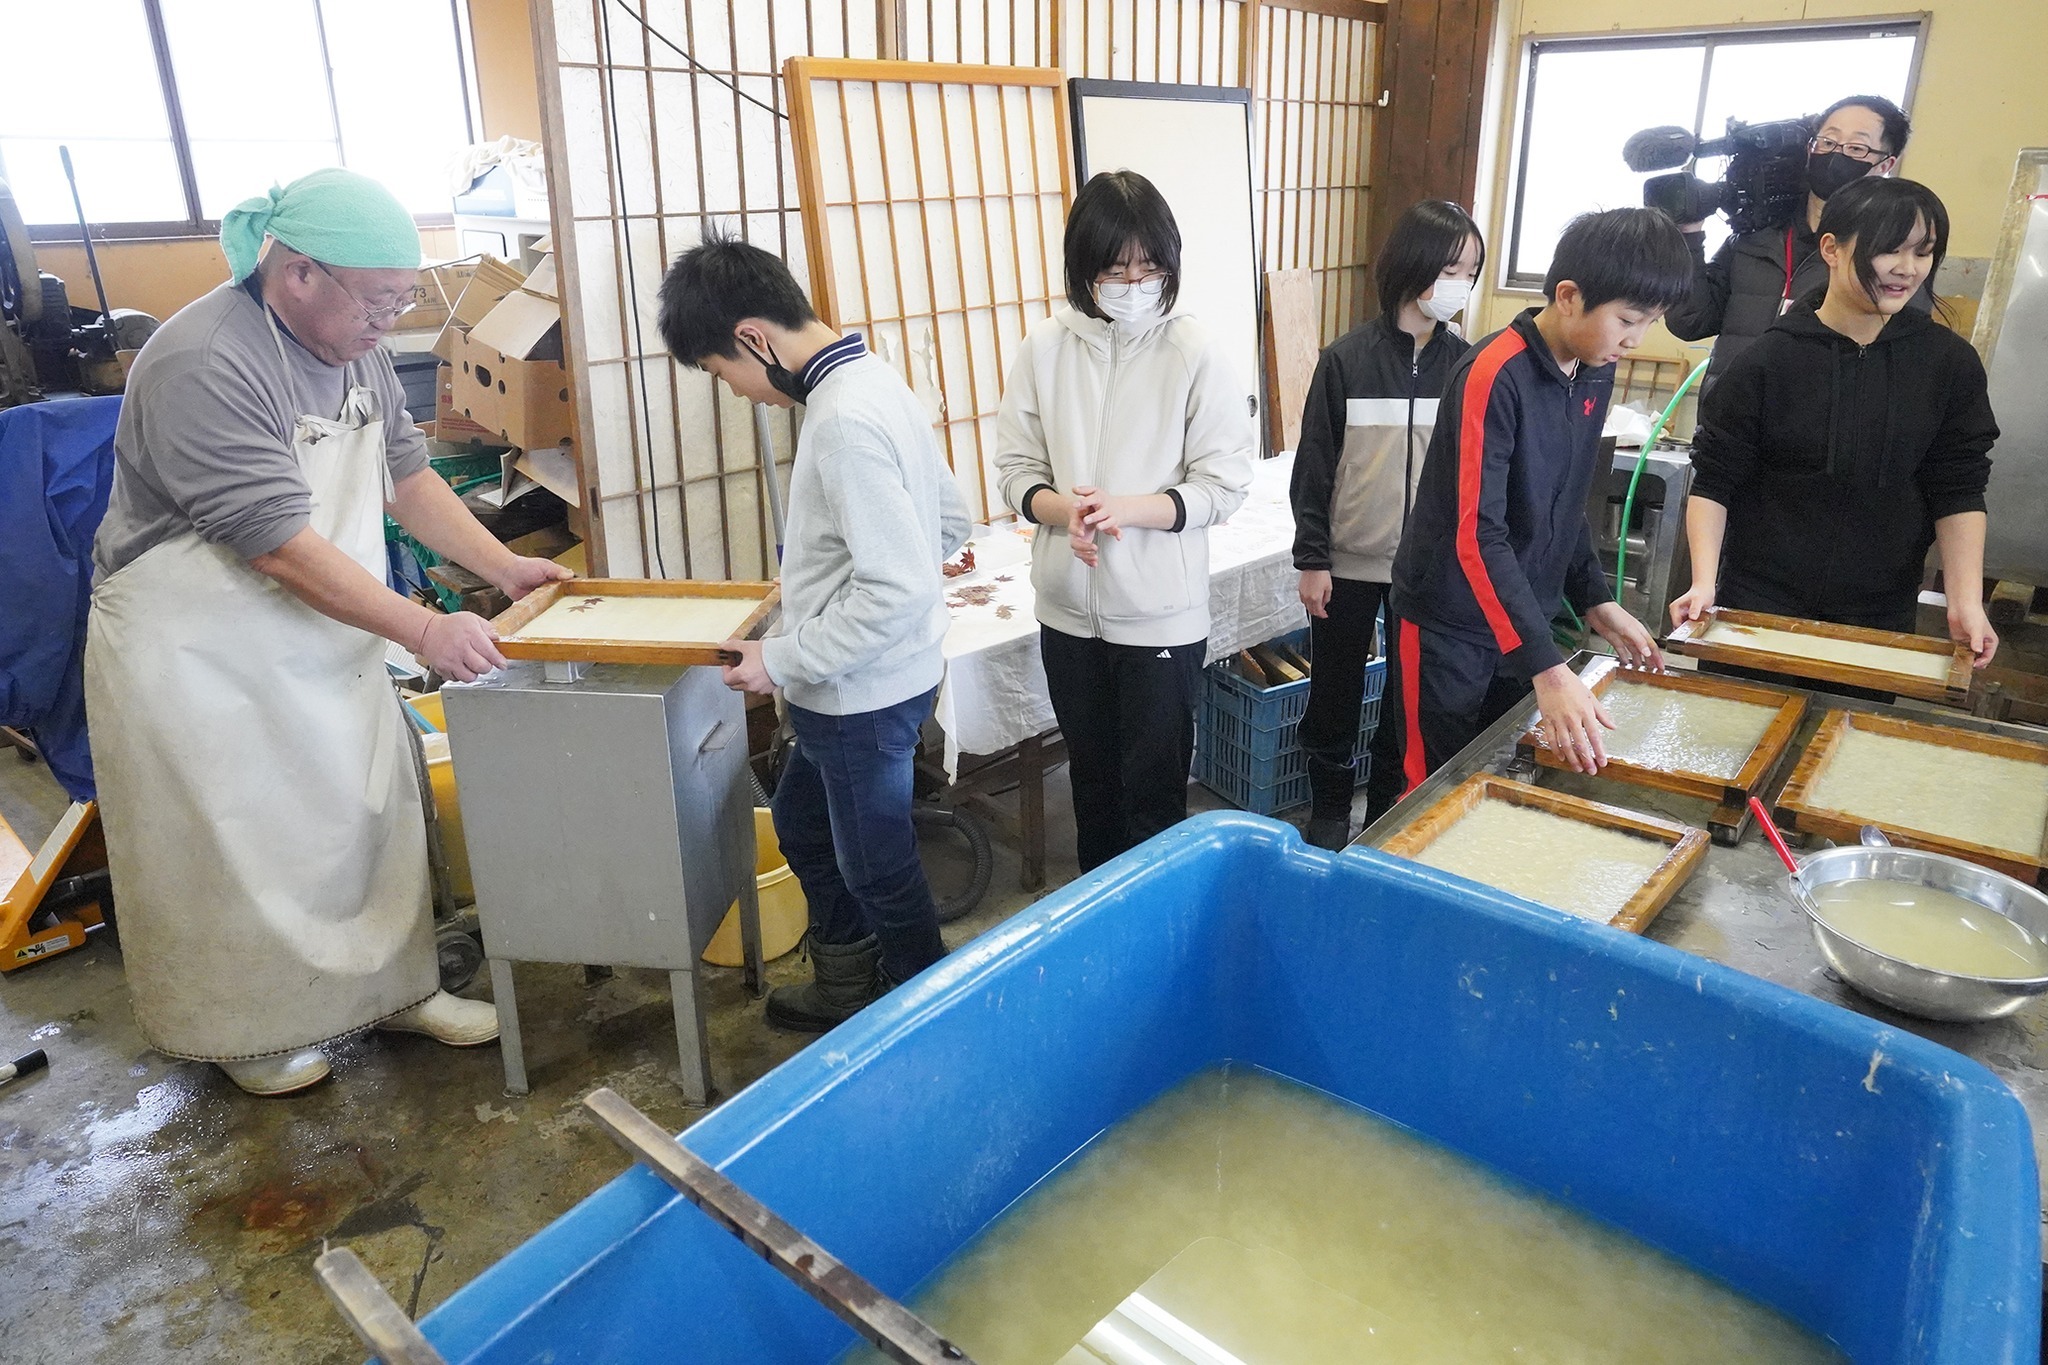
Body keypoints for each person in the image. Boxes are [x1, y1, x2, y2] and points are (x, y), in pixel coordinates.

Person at [86, 169, 571, 1096]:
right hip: (199, 650)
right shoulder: (205, 360)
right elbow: (275, 544)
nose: (391, 319)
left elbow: (406, 477)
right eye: (379, 299)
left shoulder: (356, 346)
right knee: (238, 838)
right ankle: (251, 1031)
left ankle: (395, 990)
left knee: (362, 815)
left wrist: (504, 568)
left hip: (321, 632)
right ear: (299, 273)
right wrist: (424, 629)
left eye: (403, 299)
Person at [656, 233, 970, 1033]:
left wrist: (784, 656)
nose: (733, 391)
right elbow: (949, 522)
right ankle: (848, 980)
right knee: (801, 822)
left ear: (754, 338)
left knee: (878, 868)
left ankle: (928, 1018)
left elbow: (898, 585)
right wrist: (819, 586)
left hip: (860, 695)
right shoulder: (873, 379)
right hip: (877, 679)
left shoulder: (841, 421)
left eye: (720, 371)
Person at [1364, 209, 1687, 821]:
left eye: (1650, 322)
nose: (1635, 340)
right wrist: (1546, 664)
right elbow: (1475, 533)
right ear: (1568, 297)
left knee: (1495, 777)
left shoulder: (1594, 369)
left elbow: (1565, 504)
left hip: (1521, 618)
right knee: (1427, 788)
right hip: (1449, 623)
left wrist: (1594, 598)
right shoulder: (1493, 373)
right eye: (1627, 320)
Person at [993, 171, 1255, 873]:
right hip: (1067, 616)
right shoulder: (1045, 348)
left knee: (1155, 799)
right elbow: (1015, 469)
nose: (1135, 286)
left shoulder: (1194, 351)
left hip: (1161, 616)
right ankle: (1103, 920)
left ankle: (1158, 927)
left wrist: (1127, 509)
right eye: (1116, 271)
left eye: (1151, 270)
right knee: (1092, 787)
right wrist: (1067, 512)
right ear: (1084, 271)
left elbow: (1225, 484)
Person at [1672, 177, 1998, 666]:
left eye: (1923, 252)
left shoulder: (1948, 364)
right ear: (1831, 248)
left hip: (1878, 612)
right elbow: (1716, 480)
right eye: (1889, 249)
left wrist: (1966, 602)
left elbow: (1959, 488)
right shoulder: (1769, 358)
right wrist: (1703, 582)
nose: (1907, 268)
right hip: (1757, 604)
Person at [1290, 200, 1483, 849]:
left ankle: (1382, 824)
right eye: (1452, 269)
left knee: (1407, 707)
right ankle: (1327, 815)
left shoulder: (1466, 365)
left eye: (1470, 272)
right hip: (1346, 564)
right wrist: (1312, 558)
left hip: (1426, 571)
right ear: (1413, 265)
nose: (1461, 284)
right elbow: (1314, 466)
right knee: (1333, 697)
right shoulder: (1345, 359)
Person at [1664, 95, 1929, 389]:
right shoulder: (1755, 234)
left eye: (1856, 148)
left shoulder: (1889, 255)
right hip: (1726, 409)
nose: (1836, 154)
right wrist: (1689, 234)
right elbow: (1690, 321)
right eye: (1827, 142)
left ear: (1885, 164)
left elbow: (1897, 363)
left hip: (1814, 414)